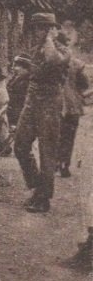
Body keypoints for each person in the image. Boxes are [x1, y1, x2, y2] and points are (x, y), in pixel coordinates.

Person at [13, 12, 70, 213]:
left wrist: (49, 40)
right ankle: (37, 186)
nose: (36, 32)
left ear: (49, 30)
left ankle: (43, 198)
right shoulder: (35, 49)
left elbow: (53, 61)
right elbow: (36, 71)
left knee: (47, 152)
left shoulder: (62, 50)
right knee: (20, 145)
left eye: (40, 28)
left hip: (50, 103)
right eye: (35, 28)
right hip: (32, 100)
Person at [58, 32, 88, 178]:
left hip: (55, 104)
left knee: (53, 135)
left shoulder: (50, 60)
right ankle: (64, 164)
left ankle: (54, 163)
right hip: (72, 106)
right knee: (68, 136)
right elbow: (84, 84)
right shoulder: (75, 63)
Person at [6, 54, 32, 129]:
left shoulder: (28, 83)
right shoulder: (15, 80)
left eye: (16, 66)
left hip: (18, 119)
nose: (13, 68)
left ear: (26, 68)